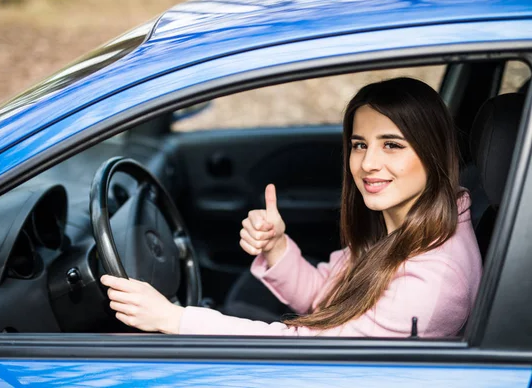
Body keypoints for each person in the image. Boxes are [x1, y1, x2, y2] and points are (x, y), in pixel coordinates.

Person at [100, 77, 482, 337]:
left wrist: (176, 319)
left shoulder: (431, 281)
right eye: (360, 144)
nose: (367, 164)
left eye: (392, 145)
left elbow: (305, 351)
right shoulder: (408, 227)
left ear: (433, 153)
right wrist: (277, 247)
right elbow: (329, 298)